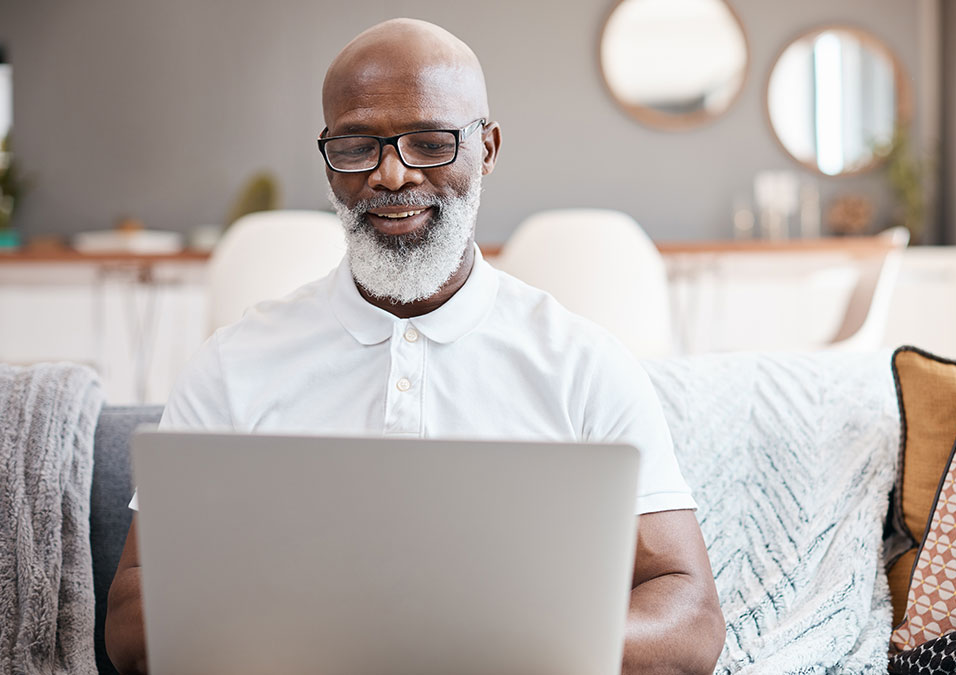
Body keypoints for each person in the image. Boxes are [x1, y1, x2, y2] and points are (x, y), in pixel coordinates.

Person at [105, 18, 725, 675]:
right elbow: (130, 623)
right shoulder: (233, 365)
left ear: (486, 149)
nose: (391, 174)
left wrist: (496, 647)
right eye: (355, 147)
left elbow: (691, 623)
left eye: (429, 142)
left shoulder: (583, 365)